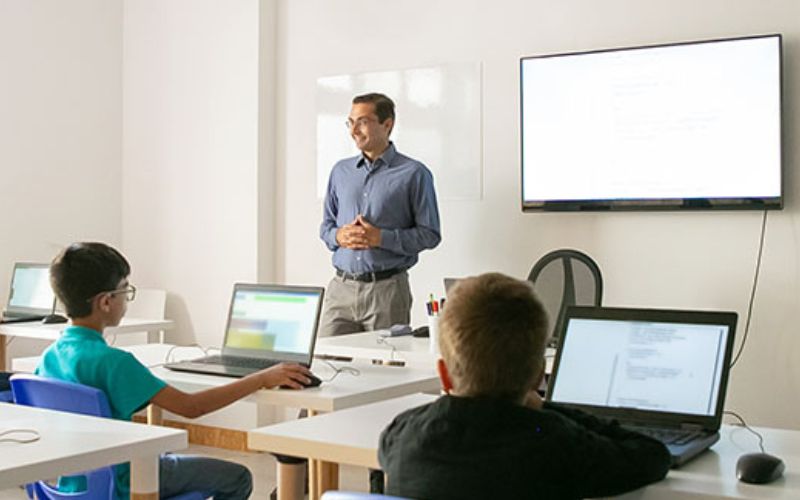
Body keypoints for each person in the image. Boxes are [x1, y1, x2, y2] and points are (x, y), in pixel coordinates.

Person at [36, 242, 314, 500]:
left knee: (167, 456)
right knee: (238, 477)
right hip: (125, 481)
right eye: (125, 290)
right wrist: (263, 378)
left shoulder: (49, 357)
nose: (127, 299)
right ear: (106, 301)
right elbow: (192, 407)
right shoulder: (114, 362)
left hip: (72, 485)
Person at [378, 273, 671, 499]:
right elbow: (653, 454)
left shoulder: (401, 435)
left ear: (444, 375)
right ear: (538, 377)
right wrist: (545, 407)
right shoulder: (558, 443)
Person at [319, 92, 441, 337]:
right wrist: (339, 236)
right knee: (324, 363)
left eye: (362, 122)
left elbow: (430, 234)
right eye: (350, 122)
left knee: (386, 371)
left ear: (387, 124)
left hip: (387, 292)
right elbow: (326, 227)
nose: (354, 130)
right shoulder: (340, 171)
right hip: (340, 290)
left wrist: (381, 238)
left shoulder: (414, 173)